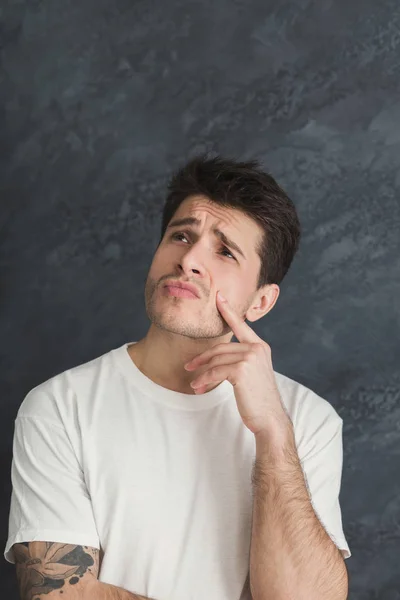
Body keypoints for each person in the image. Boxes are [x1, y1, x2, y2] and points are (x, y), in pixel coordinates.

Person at [4, 154, 351, 600]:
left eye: (224, 251)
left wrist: (274, 435)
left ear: (261, 302)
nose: (189, 259)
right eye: (181, 235)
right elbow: (59, 594)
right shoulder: (57, 407)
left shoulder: (308, 421)